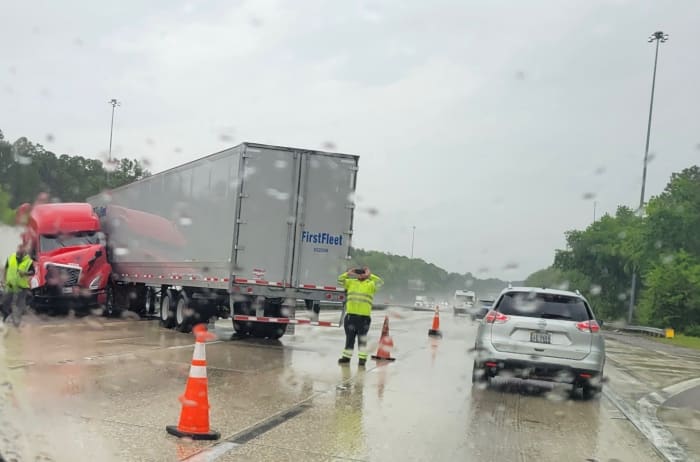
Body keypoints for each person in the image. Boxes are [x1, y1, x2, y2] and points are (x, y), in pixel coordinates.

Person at [337, 266, 384, 366]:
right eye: (359, 273)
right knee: (349, 338)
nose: (360, 274)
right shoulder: (350, 282)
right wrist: (349, 273)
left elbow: (380, 282)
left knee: (362, 339)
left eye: (362, 273)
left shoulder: (370, 284)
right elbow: (340, 280)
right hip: (350, 317)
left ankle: (362, 359)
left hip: (364, 318)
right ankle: (346, 357)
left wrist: (370, 275)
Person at [1, 245, 34, 327]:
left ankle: (16, 324)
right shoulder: (10, 257)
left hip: (22, 287)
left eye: (22, 249)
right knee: (4, 303)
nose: (20, 250)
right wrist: (3, 280)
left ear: (24, 251)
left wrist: (25, 273)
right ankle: (6, 316)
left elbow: (32, 272)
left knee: (19, 306)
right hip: (10, 285)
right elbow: (6, 269)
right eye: (19, 248)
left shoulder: (28, 261)